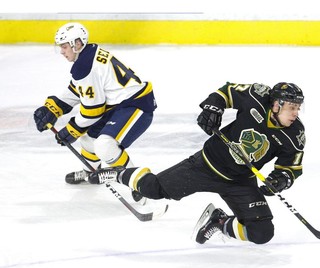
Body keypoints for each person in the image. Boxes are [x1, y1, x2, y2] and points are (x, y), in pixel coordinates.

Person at [89, 82, 305, 245]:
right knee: (152, 189)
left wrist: (281, 179)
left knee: (262, 233)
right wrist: (213, 108)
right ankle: (119, 173)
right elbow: (226, 92)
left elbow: (291, 167)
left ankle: (219, 222)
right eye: (292, 108)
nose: (296, 114)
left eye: (298, 108)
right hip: (205, 166)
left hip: (240, 181)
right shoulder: (258, 97)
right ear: (276, 104)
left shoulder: (295, 134)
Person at [33, 22, 157, 203]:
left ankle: (139, 183)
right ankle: (91, 170)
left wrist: (71, 130)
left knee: (104, 145)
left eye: (65, 46)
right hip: (118, 105)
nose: (62, 51)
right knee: (88, 138)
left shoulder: (85, 65)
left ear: (77, 44)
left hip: (136, 105)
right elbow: (78, 90)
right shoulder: (88, 54)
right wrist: (52, 108)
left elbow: (93, 111)